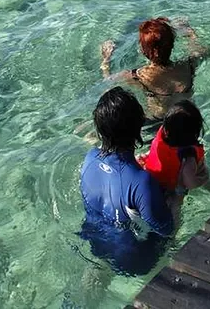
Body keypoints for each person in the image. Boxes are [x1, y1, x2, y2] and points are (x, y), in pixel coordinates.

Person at [79, 86, 174, 276]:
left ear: (100, 129)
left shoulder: (89, 159)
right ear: (138, 126)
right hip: (134, 261)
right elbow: (166, 230)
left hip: (94, 244)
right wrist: (178, 193)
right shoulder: (142, 182)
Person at [100, 17, 210, 126]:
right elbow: (204, 51)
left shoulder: (137, 76)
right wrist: (190, 33)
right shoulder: (189, 65)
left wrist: (106, 59)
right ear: (172, 44)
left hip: (156, 123)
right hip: (189, 120)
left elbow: (108, 83)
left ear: (143, 50)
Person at [139, 100, 210, 221]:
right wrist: (204, 178)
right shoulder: (188, 154)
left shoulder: (162, 133)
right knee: (176, 207)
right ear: (195, 132)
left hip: (150, 177)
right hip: (169, 189)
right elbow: (190, 183)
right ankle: (173, 234)